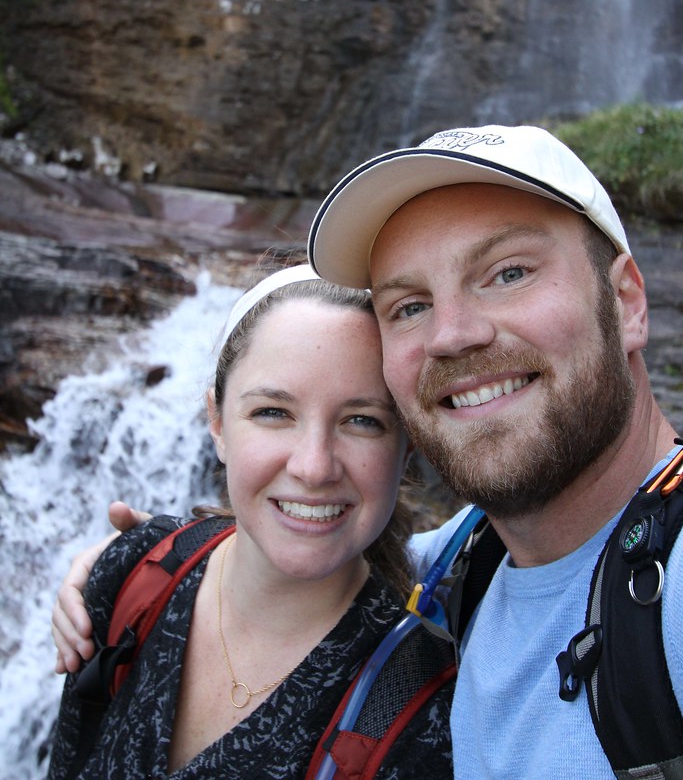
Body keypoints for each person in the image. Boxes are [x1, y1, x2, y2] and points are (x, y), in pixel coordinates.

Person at [54, 124, 683, 778]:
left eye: (507, 272)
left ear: (626, 301)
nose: (452, 334)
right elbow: (313, 531)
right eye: (409, 306)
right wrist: (147, 555)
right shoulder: (465, 561)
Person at [48, 264, 455, 780]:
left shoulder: (425, 714)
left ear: (406, 449)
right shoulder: (129, 574)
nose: (313, 466)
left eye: (362, 421)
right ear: (216, 423)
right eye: (272, 412)